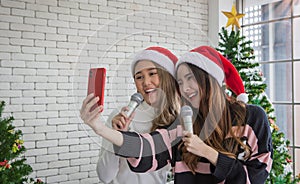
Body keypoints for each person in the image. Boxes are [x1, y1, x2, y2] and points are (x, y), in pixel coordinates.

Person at [81, 46, 273, 184]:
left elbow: (256, 177)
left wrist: (207, 152)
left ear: (209, 78)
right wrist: (100, 128)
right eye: (180, 82)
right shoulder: (182, 124)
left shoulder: (252, 117)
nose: (185, 88)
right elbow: (145, 147)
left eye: (190, 78)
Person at [88, 46, 181, 184]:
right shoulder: (121, 116)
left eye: (152, 73)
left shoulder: (177, 121)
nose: (146, 82)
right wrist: (116, 135)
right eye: (139, 77)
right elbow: (105, 176)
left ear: (167, 77)